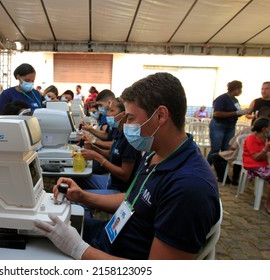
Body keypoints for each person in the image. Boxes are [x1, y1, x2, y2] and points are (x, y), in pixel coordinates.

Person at [34, 72, 220, 260]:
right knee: (36, 232)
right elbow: (132, 201)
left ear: (161, 116)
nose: (126, 124)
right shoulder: (157, 154)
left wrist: (78, 249)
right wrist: (82, 196)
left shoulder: (189, 187)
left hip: (112, 254)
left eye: (130, 118)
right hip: (109, 237)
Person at [75, 97, 142, 194]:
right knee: (77, 178)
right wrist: (94, 149)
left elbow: (124, 174)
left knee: (78, 196)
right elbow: (113, 154)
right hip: (111, 181)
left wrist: (97, 157)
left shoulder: (129, 139)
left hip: (120, 191)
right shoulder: (120, 134)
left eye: (111, 111)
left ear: (123, 114)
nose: (107, 114)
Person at [207, 80, 248, 174]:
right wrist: (236, 113)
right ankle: (205, 169)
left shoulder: (235, 100)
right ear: (236, 88)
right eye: (240, 89)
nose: (241, 91)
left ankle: (223, 172)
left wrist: (243, 112)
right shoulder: (221, 99)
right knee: (215, 149)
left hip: (230, 126)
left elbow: (237, 112)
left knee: (226, 150)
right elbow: (217, 113)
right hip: (218, 126)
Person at [242, 117, 270, 214]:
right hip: (252, 164)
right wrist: (266, 149)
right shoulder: (251, 139)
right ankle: (268, 203)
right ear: (264, 129)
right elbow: (256, 157)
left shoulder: (266, 139)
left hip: (263, 164)